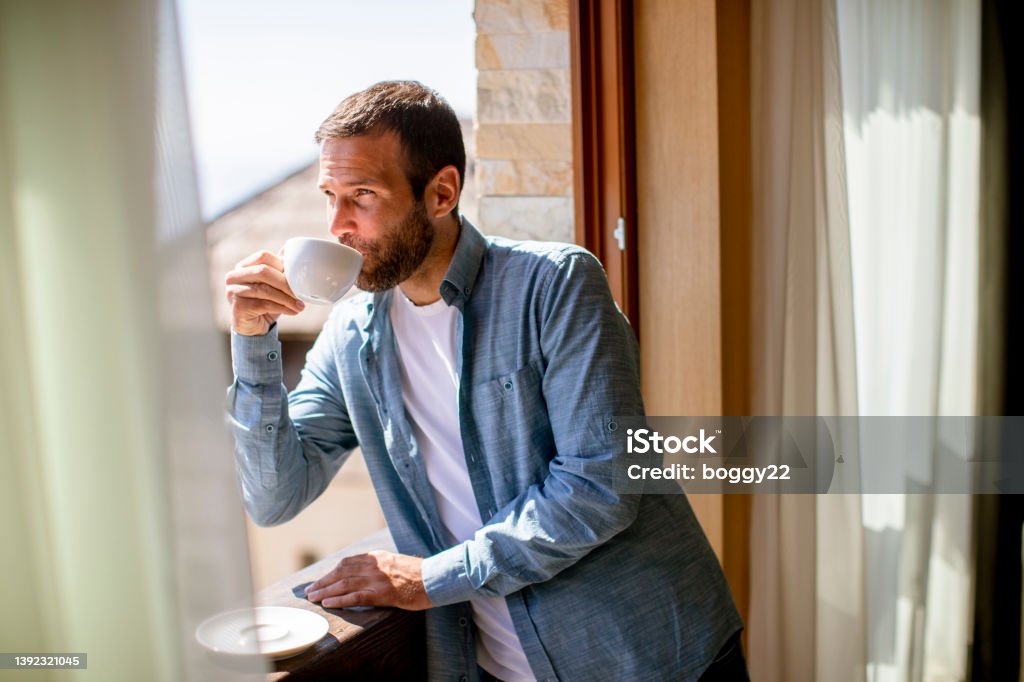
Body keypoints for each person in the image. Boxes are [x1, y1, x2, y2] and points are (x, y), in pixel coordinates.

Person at [225, 80, 746, 681]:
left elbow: (600, 486)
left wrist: (427, 580)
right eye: (330, 195)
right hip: (492, 668)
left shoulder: (555, 286)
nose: (338, 225)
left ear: (441, 192)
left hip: (647, 659)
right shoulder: (351, 336)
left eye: (363, 195)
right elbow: (272, 497)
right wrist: (253, 342)